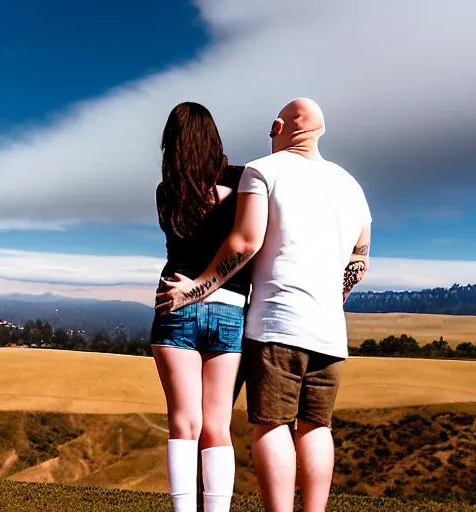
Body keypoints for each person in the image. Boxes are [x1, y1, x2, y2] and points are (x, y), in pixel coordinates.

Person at [156, 98, 372, 512]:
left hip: (273, 321)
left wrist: (195, 289)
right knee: (315, 428)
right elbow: (360, 259)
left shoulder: (262, 171)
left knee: (266, 425)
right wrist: (333, 295)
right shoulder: (351, 185)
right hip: (326, 327)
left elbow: (247, 242)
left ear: (278, 127)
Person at [150, 102, 251, 512]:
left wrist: (191, 291)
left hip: (174, 301)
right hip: (228, 306)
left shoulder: (166, 191)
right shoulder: (245, 181)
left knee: (183, 423)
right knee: (216, 425)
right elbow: (246, 242)